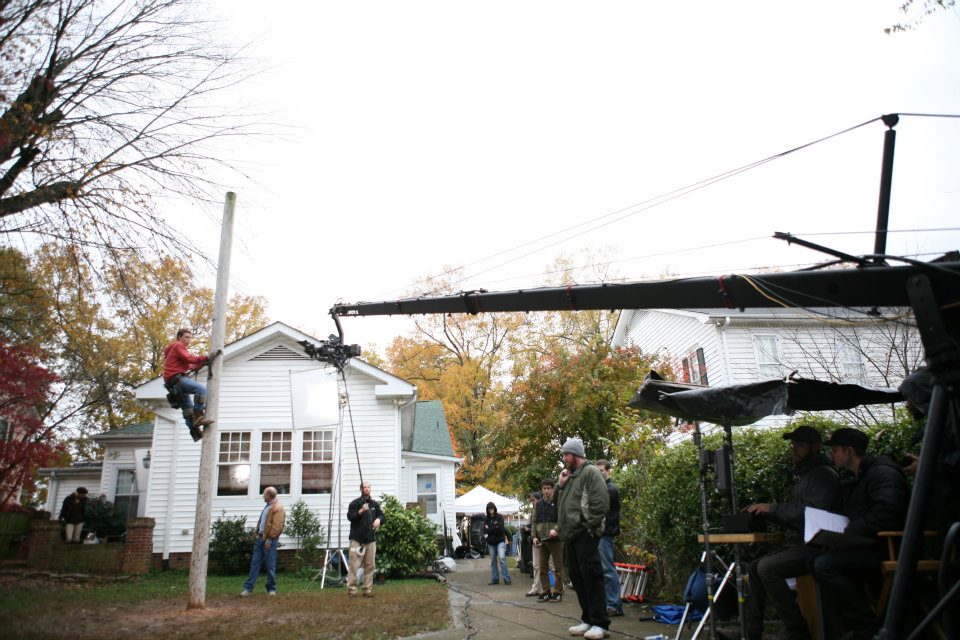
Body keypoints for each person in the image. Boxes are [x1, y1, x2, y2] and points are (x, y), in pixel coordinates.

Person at [738, 425, 841, 640]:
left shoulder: (823, 475)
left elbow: (812, 514)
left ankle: (797, 631)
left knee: (767, 568)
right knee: (754, 567)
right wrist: (767, 513)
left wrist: (773, 509)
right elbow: (798, 514)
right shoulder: (807, 475)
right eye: (793, 444)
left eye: (799, 444)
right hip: (808, 544)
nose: (793, 448)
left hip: (822, 546)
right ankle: (751, 634)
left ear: (816, 447)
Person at [812, 427, 909, 640]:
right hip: (872, 544)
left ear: (849, 451)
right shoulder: (861, 476)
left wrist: (850, 530)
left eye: (835, 450)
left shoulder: (881, 473)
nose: (832, 455)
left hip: (890, 549)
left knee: (824, 565)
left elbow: (888, 511)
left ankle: (866, 627)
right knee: (823, 559)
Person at [556, 437, 610, 640]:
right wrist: (560, 485)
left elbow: (601, 504)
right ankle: (588, 619)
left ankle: (600, 623)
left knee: (592, 577)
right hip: (571, 536)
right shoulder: (571, 475)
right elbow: (555, 500)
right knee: (578, 578)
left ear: (575, 454)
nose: (563, 458)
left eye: (566, 454)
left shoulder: (590, 473)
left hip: (585, 535)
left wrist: (589, 527)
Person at [163, 327, 215, 442]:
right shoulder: (178, 346)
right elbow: (189, 358)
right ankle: (199, 416)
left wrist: (201, 364)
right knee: (201, 390)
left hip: (173, 385)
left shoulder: (175, 351)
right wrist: (205, 358)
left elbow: (190, 366)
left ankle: (195, 433)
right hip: (177, 379)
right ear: (179, 337)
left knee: (187, 410)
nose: (188, 340)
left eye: (190, 338)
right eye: (186, 337)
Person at [241, 486, 286, 596]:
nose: (262, 495)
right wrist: (257, 534)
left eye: (264, 493)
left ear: (268, 495)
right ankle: (248, 588)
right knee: (255, 564)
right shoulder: (268, 506)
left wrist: (269, 540)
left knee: (270, 565)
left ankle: (272, 589)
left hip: (269, 540)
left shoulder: (278, 508)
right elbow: (263, 522)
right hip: (260, 539)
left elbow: (278, 526)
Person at [346, 481, 386, 597]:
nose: (367, 489)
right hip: (357, 540)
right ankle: (352, 590)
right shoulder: (354, 503)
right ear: (361, 489)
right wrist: (361, 511)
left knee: (370, 566)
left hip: (370, 540)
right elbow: (350, 517)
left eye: (368, 487)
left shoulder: (374, 504)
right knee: (354, 565)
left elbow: (382, 516)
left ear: (370, 489)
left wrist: (379, 520)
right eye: (364, 487)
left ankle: (367, 590)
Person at [596, 460, 624, 617]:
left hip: (605, 534)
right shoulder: (603, 488)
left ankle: (614, 605)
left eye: (601, 471)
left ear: (609, 471)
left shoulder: (610, 489)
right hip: (601, 533)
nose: (599, 474)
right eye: (597, 471)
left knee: (607, 569)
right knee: (603, 570)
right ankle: (609, 603)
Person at [532, 478, 564, 602]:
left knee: (558, 568)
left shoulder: (558, 502)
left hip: (556, 541)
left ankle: (557, 592)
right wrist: (534, 536)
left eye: (549, 488)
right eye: (544, 488)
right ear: (542, 489)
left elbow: (563, 519)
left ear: (552, 489)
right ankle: (546, 591)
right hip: (542, 541)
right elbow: (534, 521)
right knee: (542, 568)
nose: (546, 491)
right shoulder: (538, 504)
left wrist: (556, 530)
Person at [483, 501, 511, 585]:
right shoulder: (486, 519)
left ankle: (506, 578)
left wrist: (490, 528)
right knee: (493, 561)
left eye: (492, 508)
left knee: (502, 558)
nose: (490, 509)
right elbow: (485, 530)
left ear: (494, 508)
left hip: (500, 541)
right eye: (489, 508)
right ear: (487, 510)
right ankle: (495, 579)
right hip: (491, 543)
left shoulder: (499, 517)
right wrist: (494, 527)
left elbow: (501, 529)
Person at [524, 490, 544, 596]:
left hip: (546, 541)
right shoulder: (532, 512)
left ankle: (558, 588)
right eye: (531, 501)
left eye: (533, 500)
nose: (532, 502)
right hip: (535, 540)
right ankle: (536, 588)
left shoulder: (545, 509)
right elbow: (529, 526)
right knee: (536, 566)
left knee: (552, 566)